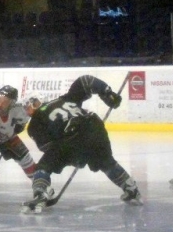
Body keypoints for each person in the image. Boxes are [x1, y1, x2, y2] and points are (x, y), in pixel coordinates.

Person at [23, 75, 143, 213]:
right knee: (106, 162)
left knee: (44, 166)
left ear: (35, 103)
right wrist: (106, 92)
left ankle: (40, 193)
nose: (27, 110)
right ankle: (131, 188)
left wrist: (73, 157)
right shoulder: (66, 98)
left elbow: (49, 148)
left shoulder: (34, 123)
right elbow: (86, 81)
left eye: (28, 106)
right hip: (94, 127)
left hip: (73, 136)